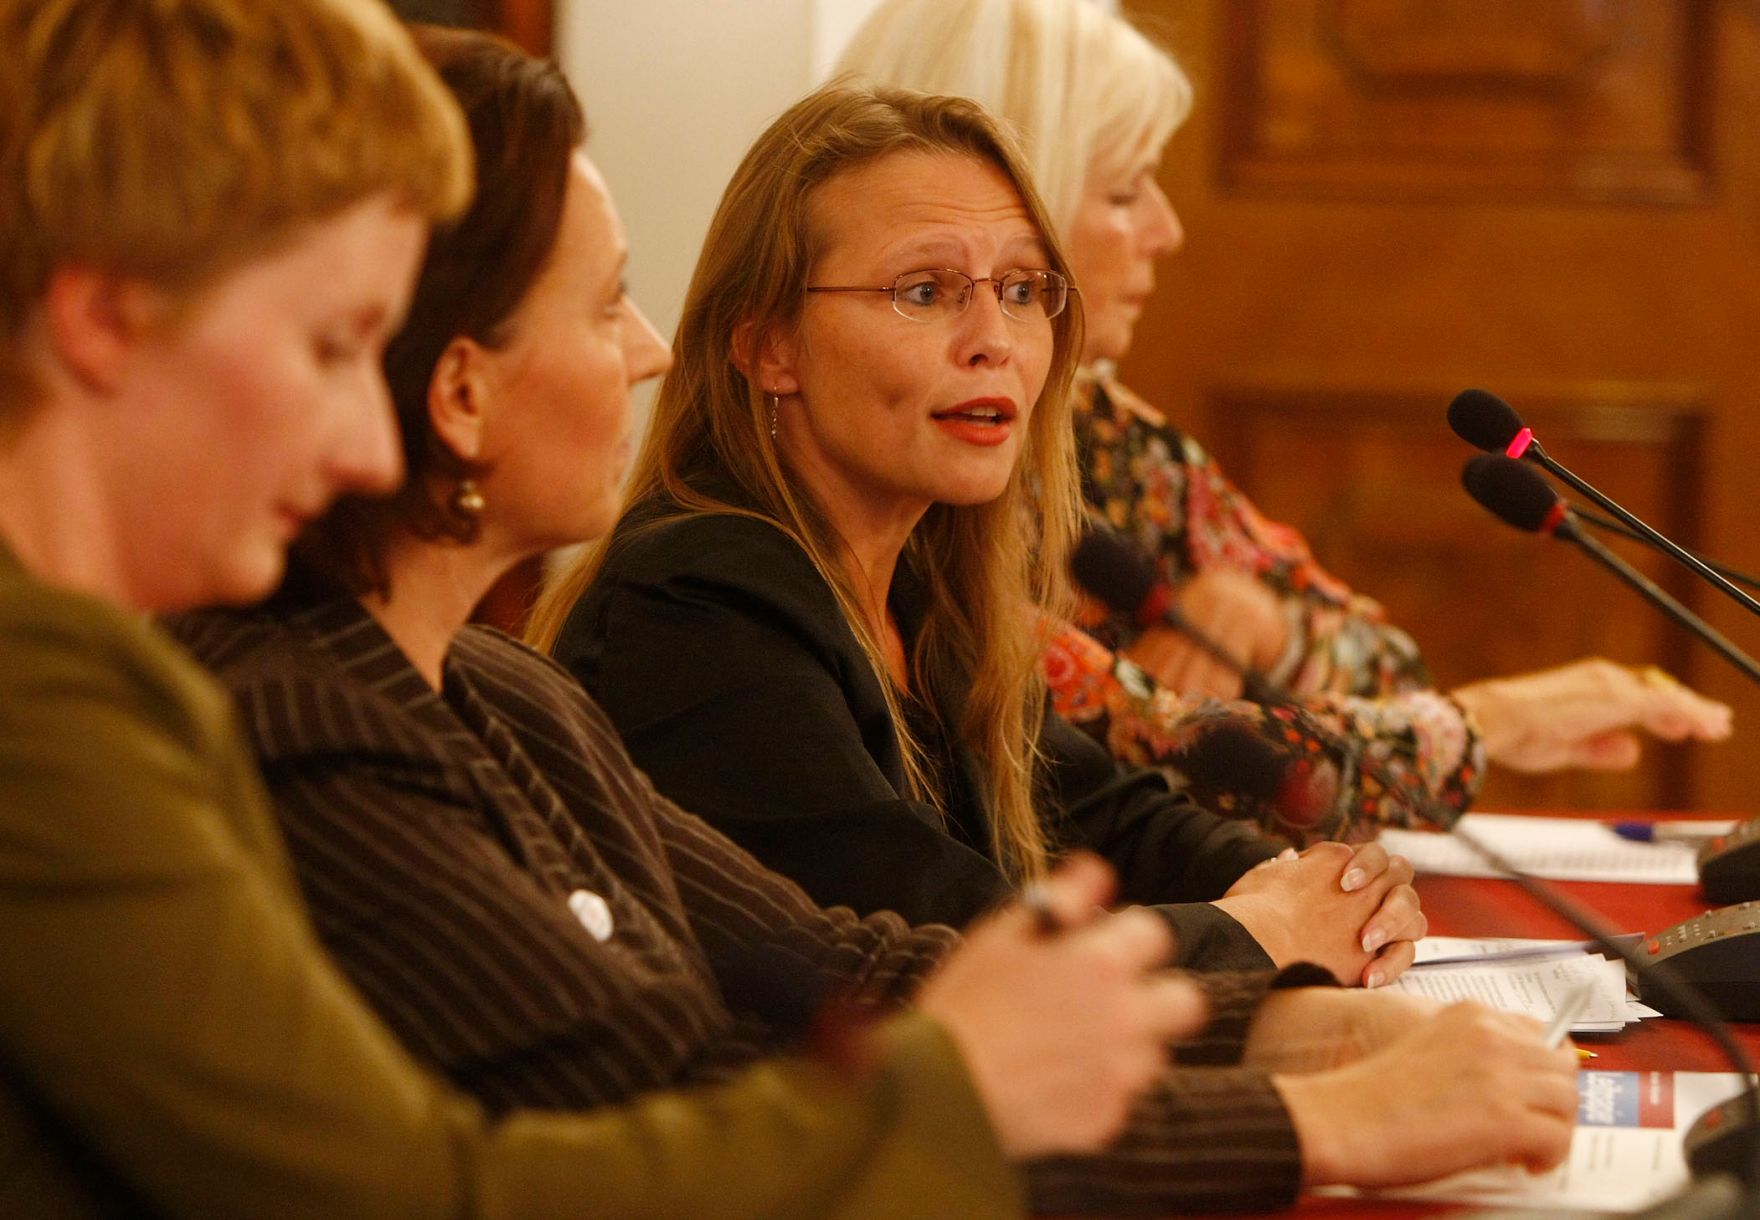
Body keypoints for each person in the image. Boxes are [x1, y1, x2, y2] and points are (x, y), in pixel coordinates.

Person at [177, 51, 1576, 1211]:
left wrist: (1297, 1003)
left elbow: (841, 961)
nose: (650, 348)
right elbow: (758, 1094)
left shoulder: (498, 687)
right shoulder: (612, 632)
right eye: (608, 304)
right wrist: (1305, 1101)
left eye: (1024, 292)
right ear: (458, 390)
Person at [0, 4, 1197, 1217]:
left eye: (1020, 290)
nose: (371, 438)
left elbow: (814, 974)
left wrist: (1298, 1063)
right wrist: (977, 1087)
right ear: (103, 319)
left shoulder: (494, 681)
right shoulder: (101, 699)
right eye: (328, 344)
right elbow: (433, 1182)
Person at [531, 43, 1435, 989]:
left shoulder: (920, 587)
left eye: (1021, 292)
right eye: (924, 292)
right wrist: (1265, 932)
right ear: (767, 346)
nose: (994, 343)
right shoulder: (696, 608)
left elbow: (1114, 817)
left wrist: (1306, 888)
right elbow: (954, 949)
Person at [827, 0, 1733, 844]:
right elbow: (1164, 745)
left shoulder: (1100, 426)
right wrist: (1494, 721)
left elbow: (1385, 661)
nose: (1167, 230)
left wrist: (1256, 617)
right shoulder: (906, 474)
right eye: (1126, 190)